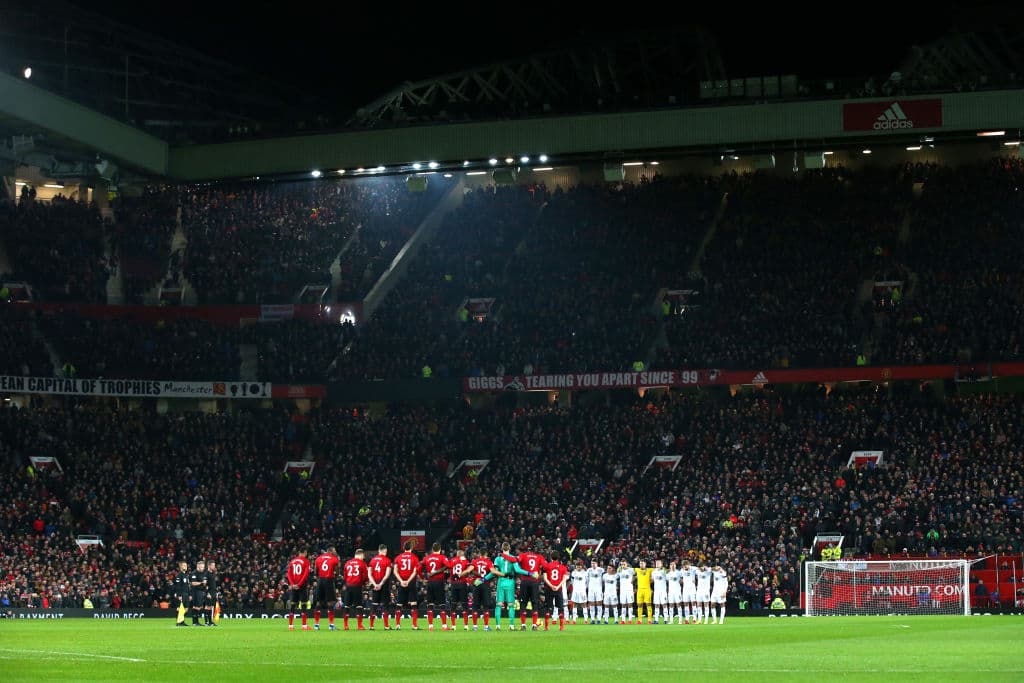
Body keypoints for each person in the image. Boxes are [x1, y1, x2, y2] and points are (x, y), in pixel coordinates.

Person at [477, 541, 534, 631]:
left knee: (498, 605)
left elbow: (493, 572)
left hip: (501, 582)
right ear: (510, 548)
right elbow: (518, 570)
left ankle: (498, 626)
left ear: (502, 548)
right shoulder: (513, 558)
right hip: (510, 582)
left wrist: (483, 579)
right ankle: (511, 626)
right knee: (511, 605)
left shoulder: (497, 559)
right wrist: (529, 573)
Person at [508, 546, 545, 630]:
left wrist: (504, 555)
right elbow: (545, 566)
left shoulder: (523, 555)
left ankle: (523, 625)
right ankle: (534, 625)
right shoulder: (539, 557)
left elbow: (515, 560)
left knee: (523, 603)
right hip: (534, 582)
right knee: (535, 603)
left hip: (524, 582)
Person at [392, 540, 421, 630]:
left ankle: (397, 625)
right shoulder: (414, 557)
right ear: (411, 548)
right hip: (411, 582)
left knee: (399, 604)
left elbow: (395, 571)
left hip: (402, 582)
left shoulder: (398, 558)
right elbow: (415, 571)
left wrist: (401, 581)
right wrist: (408, 581)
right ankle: (414, 625)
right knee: (413, 604)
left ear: (403, 548)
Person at [421, 542, 450, 630]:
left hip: (430, 583)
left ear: (433, 549)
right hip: (439, 582)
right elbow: (448, 565)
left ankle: (430, 626)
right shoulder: (442, 557)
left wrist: (423, 578)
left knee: (430, 604)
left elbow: (419, 567)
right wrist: (437, 572)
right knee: (442, 604)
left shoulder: (427, 558)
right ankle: (444, 626)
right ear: (440, 549)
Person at [312, 546, 341, 631]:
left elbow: (315, 571)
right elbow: (337, 572)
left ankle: (316, 625)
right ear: (331, 551)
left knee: (318, 603)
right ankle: (331, 625)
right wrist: (334, 576)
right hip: (329, 580)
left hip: (320, 580)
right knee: (330, 603)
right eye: (335, 550)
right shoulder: (334, 559)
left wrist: (320, 577)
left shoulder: (318, 558)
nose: (335, 551)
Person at [342, 549, 369, 630]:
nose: (363, 558)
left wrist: (347, 583)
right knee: (359, 606)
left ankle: (346, 626)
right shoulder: (362, 563)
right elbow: (365, 576)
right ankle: (359, 625)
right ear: (360, 555)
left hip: (348, 585)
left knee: (347, 606)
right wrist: (364, 583)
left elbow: (345, 576)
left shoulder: (347, 563)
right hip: (357, 586)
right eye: (363, 556)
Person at [448, 548, 475, 631]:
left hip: (454, 584)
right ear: (462, 555)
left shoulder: (452, 560)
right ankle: (466, 626)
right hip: (462, 584)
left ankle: (453, 626)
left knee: (453, 605)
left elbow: (447, 567)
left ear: (457, 554)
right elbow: (469, 570)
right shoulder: (465, 561)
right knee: (464, 605)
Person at [285, 549, 312, 631]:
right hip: (302, 585)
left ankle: (290, 626)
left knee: (292, 605)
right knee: (303, 605)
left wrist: (293, 584)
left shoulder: (292, 561)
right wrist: (299, 584)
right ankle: (304, 626)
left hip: (294, 586)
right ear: (305, 552)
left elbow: (288, 573)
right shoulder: (306, 561)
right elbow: (305, 574)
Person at [367, 544, 392, 630]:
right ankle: (386, 626)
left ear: (379, 551)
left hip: (375, 584)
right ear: (385, 551)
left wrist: (375, 584)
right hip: (383, 585)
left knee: (374, 605)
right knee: (385, 605)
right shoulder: (387, 560)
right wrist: (381, 584)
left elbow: (369, 574)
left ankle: (371, 625)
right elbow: (387, 575)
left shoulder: (372, 560)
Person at [542, 551, 569, 631]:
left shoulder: (547, 566)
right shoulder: (563, 567)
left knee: (548, 608)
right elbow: (564, 579)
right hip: (558, 589)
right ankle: (561, 627)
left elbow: (545, 578)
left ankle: (546, 627)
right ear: (558, 557)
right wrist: (557, 586)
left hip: (549, 589)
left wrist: (551, 586)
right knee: (560, 608)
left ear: (551, 557)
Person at [469, 549, 495, 630]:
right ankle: (486, 627)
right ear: (486, 554)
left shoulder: (474, 561)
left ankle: (475, 627)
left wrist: (478, 575)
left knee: (475, 606)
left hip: (477, 584)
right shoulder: (489, 562)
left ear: (479, 554)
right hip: (485, 585)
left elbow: (471, 571)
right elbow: (492, 572)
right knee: (486, 606)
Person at [634, 559, 653, 625]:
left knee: (648, 604)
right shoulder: (637, 570)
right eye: (640, 563)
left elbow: (658, 571)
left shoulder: (650, 570)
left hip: (647, 590)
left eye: (642, 563)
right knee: (639, 605)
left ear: (645, 564)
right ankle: (639, 620)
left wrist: (652, 579)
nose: (641, 565)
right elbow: (628, 569)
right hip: (639, 590)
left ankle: (650, 619)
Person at [189, 560, 208, 627]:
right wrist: (202, 583)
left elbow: (205, 582)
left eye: (203, 567)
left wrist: (205, 584)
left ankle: (196, 622)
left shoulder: (203, 573)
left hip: (201, 591)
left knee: (199, 607)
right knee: (196, 607)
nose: (202, 568)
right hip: (195, 591)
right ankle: (195, 622)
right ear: (198, 566)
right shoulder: (194, 573)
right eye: (201, 567)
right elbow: (193, 583)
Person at [586, 559, 605, 624]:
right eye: (592, 563)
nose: (593, 565)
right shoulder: (589, 570)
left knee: (599, 603)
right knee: (592, 604)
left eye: (594, 563)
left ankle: (599, 619)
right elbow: (587, 579)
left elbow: (604, 578)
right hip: (591, 589)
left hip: (598, 589)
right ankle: (592, 619)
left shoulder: (601, 570)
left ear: (597, 563)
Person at [569, 559, 587, 624]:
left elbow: (587, 581)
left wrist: (584, 588)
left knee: (584, 604)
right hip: (575, 591)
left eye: (579, 566)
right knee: (575, 604)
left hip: (582, 591)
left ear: (581, 567)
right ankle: (574, 620)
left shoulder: (585, 573)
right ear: (575, 567)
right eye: (577, 566)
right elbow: (572, 581)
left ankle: (585, 620)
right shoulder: (573, 573)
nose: (578, 568)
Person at [173, 560, 190, 627]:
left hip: (186, 594)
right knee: (179, 608)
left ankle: (181, 621)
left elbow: (187, 585)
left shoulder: (186, 575)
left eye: (186, 565)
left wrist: (189, 594)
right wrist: (179, 595)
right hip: (181, 594)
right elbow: (178, 586)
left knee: (186, 608)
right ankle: (178, 622)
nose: (185, 566)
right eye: (184, 565)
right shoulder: (179, 575)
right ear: (180, 566)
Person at [651, 559, 669, 624]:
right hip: (656, 591)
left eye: (659, 563)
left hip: (663, 590)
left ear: (661, 564)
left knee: (664, 604)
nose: (657, 564)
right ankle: (656, 620)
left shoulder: (664, 571)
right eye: (656, 563)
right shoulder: (653, 572)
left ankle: (666, 620)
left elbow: (667, 579)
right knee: (656, 605)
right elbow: (652, 580)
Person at [666, 560, 684, 624]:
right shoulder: (668, 574)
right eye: (671, 565)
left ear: (675, 566)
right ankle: (671, 620)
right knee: (671, 605)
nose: (672, 566)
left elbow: (683, 579)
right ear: (669, 566)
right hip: (671, 591)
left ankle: (680, 620)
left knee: (678, 605)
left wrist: (682, 581)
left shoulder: (679, 572)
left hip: (677, 591)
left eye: (674, 564)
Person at [618, 560, 635, 624]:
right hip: (622, 590)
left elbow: (635, 575)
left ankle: (630, 620)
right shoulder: (619, 570)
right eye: (622, 564)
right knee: (623, 605)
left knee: (630, 604)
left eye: (624, 564)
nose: (623, 566)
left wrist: (632, 581)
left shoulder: (631, 570)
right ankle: (623, 620)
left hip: (629, 590)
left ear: (627, 564)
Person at [204, 560, 219, 626]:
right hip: (209, 593)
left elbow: (213, 584)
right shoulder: (206, 574)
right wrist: (207, 593)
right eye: (213, 565)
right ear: (209, 566)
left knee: (211, 607)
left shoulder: (213, 573)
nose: (214, 566)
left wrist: (215, 593)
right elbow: (205, 584)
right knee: (207, 607)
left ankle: (210, 621)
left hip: (213, 592)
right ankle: (206, 622)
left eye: (214, 565)